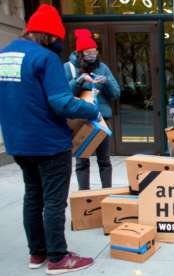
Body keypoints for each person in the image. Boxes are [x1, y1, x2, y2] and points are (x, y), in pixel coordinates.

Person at [0, 4, 98, 275]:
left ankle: (37, 253)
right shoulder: (45, 58)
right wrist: (91, 109)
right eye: (58, 38)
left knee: (33, 196)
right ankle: (58, 257)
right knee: (54, 201)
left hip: (18, 142)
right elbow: (61, 102)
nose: (59, 44)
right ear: (49, 36)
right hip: (48, 142)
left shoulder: (4, 55)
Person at [64, 29, 120, 190]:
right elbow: (64, 94)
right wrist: (79, 80)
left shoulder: (102, 68)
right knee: (82, 160)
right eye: (88, 52)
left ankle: (107, 193)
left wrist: (106, 81)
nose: (92, 55)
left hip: (101, 119)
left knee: (104, 160)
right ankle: (84, 196)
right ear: (80, 53)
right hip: (79, 120)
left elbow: (116, 93)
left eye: (94, 51)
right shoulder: (69, 68)